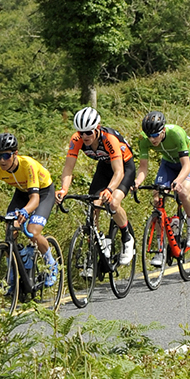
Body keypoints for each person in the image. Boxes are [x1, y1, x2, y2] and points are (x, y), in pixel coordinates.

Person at [0, 133, 59, 287]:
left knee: (33, 231)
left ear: (15, 153)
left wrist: (25, 211)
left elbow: (35, 199)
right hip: (22, 192)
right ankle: (12, 276)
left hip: (43, 192)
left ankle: (51, 264)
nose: (2, 160)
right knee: (10, 232)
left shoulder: (28, 165)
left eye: (6, 155)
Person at [56, 107, 138, 266]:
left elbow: (119, 172)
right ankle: (100, 243)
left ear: (97, 128)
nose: (84, 136)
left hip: (124, 167)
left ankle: (127, 237)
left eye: (88, 132)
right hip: (104, 167)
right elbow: (68, 168)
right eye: (81, 133)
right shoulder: (76, 139)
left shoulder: (109, 139)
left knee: (113, 202)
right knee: (94, 205)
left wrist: (109, 190)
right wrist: (64, 189)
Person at [134, 111, 190, 251]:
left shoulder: (176, 133)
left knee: (183, 191)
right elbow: (143, 167)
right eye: (149, 136)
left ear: (163, 130)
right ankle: (161, 247)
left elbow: (186, 166)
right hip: (168, 164)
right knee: (156, 197)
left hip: (189, 160)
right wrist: (137, 181)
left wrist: (178, 181)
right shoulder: (143, 139)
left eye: (155, 135)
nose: (152, 139)